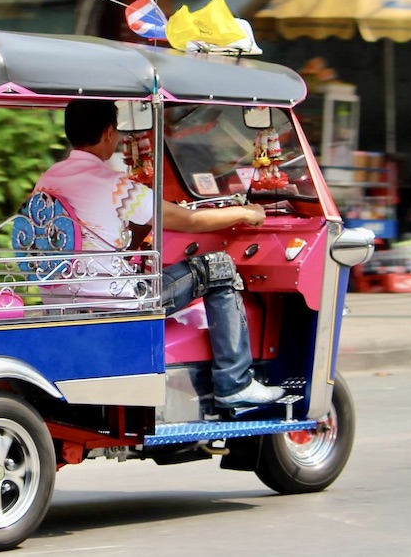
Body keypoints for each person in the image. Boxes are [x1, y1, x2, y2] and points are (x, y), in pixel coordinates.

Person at [34, 99, 285, 408]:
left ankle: (212, 385)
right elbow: (190, 221)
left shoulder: (48, 179)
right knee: (218, 267)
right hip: (120, 304)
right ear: (110, 133)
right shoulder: (113, 184)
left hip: (63, 301)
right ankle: (235, 383)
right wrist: (245, 213)